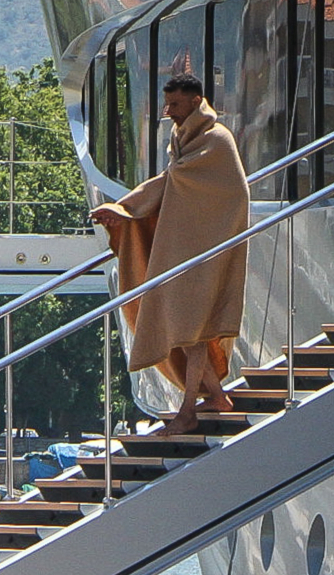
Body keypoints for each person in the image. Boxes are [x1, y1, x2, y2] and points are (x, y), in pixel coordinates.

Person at [91, 73, 250, 436]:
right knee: (188, 329)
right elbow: (174, 181)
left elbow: (185, 183)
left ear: (195, 102)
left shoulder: (216, 140)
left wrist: (126, 207)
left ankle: (187, 412)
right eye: (167, 104)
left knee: (191, 330)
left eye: (175, 105)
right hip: (189, 248)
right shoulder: (186, 139)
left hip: (209, 248)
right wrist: (125, 211)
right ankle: (215, 397)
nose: (169, 112)